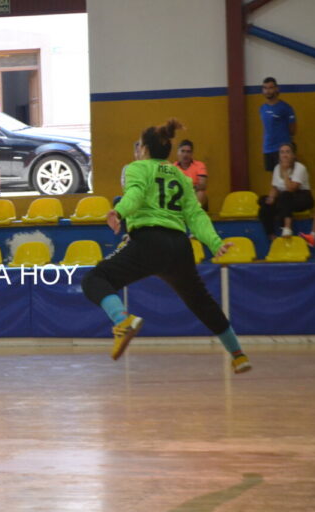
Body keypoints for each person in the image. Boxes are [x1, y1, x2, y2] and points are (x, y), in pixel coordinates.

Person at [80, 119, 251, 374]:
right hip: (180, 247)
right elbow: (196, 215)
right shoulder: (181, 176)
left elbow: (135, 194)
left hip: (149, 241)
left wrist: (119, 211)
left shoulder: (138, 167)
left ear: (145, 149)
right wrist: (215, 242)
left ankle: (121, 321)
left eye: (140, 145)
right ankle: (238, 355)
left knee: (94, 279)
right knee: (201, 301)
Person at [258, 142, 314, 239]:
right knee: (263, 203)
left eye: (287, 152)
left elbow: (291, 188)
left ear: (293, 155)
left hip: (301, 197)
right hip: (283, 198)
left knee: (285, 195)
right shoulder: (277, 168)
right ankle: (271, 235)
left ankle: (287, 227)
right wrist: (271, 198)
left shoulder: (300, 167)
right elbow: (275, 187)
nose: (284, 155)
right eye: (282, 152)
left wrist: (284, 172)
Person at [260, 77, 296, 173]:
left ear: (276, 89)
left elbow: (293, 129)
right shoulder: (262, 108)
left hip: (282, 149)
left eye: (270, 88)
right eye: (265, 88)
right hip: (268, 149)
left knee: (286, 176)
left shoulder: (285, 107)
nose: (268, 91)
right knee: (275, 177)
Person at [173, 139, 208, 211]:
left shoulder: (199, 165)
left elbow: (202, 185)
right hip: (179, 194)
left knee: (201, 193)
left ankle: (193, 213)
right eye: (182, 151)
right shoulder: (173, 167)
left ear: (192, 154)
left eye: (188, 152)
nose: (185, 155)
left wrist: (188, 189)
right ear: (178, 153)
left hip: (194, 194)